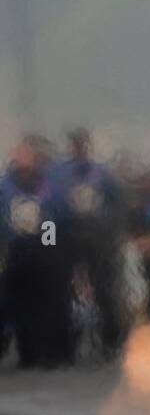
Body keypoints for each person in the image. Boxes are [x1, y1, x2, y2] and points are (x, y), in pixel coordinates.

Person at [45, 128, 127, 356]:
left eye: (82, 144)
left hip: (96, 239)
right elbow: (48, 209)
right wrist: (47, 242)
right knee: (62, 291)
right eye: (75, 144)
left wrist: (113, 234)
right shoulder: (57, 175)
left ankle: (110, 341)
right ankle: (64, 344)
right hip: (66, 238)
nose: (78, 148)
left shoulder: (102, 174)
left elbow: (118, 205)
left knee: (104, 290)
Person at [0, 135, 74, 366]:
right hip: (16, 251)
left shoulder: (51, 187)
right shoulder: (5, 187)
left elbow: (58, 216)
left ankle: (56, 353)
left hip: (45, 251)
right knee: (19, 302)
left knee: (51, 301)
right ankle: (28, 353)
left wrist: (48, 244)